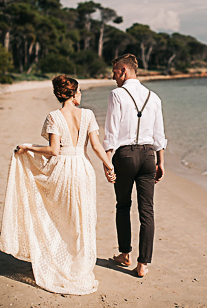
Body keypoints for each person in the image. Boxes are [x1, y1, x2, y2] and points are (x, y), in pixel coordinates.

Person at [0, 75, 115, 295]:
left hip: (63, 170)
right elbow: (97, 147)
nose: (81, 94)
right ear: (73, 94)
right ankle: (79, 265)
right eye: (79, 91)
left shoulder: (53, 116)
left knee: (59, 217)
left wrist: (29, 147)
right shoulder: (88, 114)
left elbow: (53, 150)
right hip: (83, 169)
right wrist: (109, 166)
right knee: (82, 219)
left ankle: (59, 262)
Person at [103, 54, 167, 277]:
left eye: (114, 72)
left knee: (123, 205)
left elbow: (111, 132)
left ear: (123, 70)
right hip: (149, 155)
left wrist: (107, 162)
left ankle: (125, 254)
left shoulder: (117, 95)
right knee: (147, 211)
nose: (113, 77)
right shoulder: (154, 97)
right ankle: (143, 264)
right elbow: (159, 134)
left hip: (125, 156)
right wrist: (161, 162)